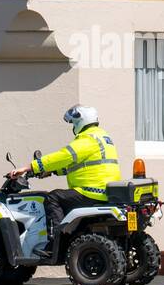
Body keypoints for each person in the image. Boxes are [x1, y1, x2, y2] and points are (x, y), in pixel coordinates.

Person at [7, 104, 121, 253]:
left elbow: (63, 156)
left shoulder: (87, 139)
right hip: (104, 191)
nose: (73, 126)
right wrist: (51, 172)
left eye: (73, 123)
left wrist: (29, 167)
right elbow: (76, 164)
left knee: (52, 198)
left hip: (91, 191)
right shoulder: (102, 137)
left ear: (81, 121)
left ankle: (55, 243)